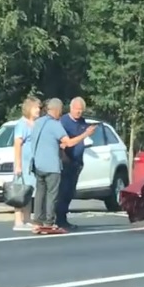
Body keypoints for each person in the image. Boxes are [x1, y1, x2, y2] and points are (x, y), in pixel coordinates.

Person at [31, 98, 95, 231]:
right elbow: (68, 143)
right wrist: (86, 134)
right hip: (52, 165)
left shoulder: (38, 122)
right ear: (57, 110)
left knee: (40, 193)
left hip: (38, 164)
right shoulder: (56, 124)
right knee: (52, 194)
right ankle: (49, 222)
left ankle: (38, 220)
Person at [57, 97, 89, 229]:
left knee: (70, 192)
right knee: (63, 191)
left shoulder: (82, 122)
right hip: (66, 161)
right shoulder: (63, 121)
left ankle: (63, 218)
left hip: (77, 162)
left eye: (81, 110)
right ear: (71, 108)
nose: (78, 113)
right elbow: (63, 142)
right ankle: (59, 219)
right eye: (77, 110)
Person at [12, 97, 42, 231]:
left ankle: (27, 218)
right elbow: (17, 144)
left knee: (29, 191)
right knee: (20, 191)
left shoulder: (36, 124)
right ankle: (18, 221)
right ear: (29, 108)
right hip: (23, 164)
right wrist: (18, 165)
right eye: (36, 107)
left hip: (32, 164)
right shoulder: (21, 124)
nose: (38, 110)